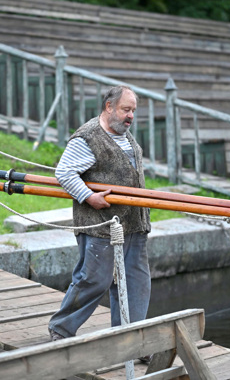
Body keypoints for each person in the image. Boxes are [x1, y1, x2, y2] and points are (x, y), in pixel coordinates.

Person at [48, 85, 151, 343]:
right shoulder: (88, 137)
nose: (131, 116)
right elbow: (64, 173)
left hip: (134, 224)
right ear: (109, 107)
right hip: (100, 225)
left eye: (133, 111)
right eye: (126, 109)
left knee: (136, 283)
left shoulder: (126, 135)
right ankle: (61, 328)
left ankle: (129, 338)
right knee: (94, 280)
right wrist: (88, 197)